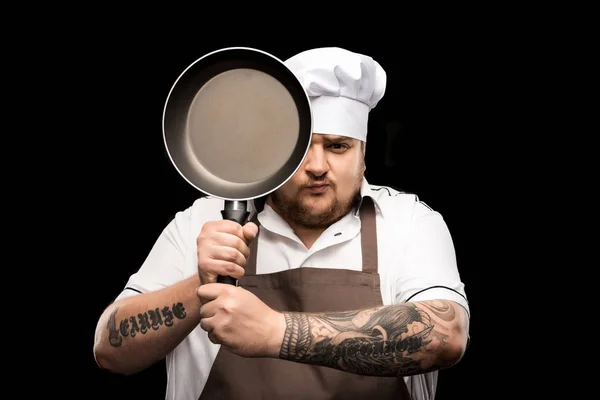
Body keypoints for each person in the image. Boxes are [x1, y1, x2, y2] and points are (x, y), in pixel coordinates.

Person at [93, 46, 471, 400]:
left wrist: (274, 332)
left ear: (363, 154)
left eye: (338, 146)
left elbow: (446, 335)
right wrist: (200, 286)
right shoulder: (201, 223)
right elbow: (110, 349)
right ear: (273, 150)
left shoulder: (408, 223)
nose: (318, 167)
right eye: (302, 147)